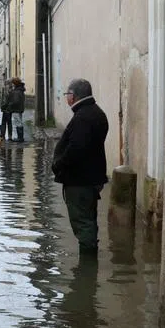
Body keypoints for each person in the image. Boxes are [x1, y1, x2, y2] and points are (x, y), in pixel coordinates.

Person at [52, 78, 109, 254]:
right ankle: (89, 260)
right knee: (88, 220)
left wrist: (59, 164)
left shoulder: (83, 117)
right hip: (90, 177)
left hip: (80, 180)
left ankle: (87, 268)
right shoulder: (95, 112)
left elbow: (76, 149)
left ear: (74, 96)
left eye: (67, 94)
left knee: (83, 223)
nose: (66, 97)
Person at [8, 78, 27, 142]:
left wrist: (10, 104)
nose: (12, 84)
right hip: (19, 108)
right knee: (19, 121)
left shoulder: (16, 91)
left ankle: (20, 138)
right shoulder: (20, 90)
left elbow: (15, 101)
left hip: (16, 109)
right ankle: (20, 137)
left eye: (12, 83)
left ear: (14, 83)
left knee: (18, 122)